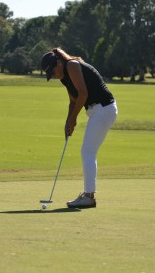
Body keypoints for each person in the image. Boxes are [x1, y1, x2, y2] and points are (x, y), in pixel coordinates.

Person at [41, 47, 118, 209]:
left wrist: (74, 118)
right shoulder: (64, 77)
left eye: (52, 72)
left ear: (58, 63)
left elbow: (83, 94)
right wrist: (68, 121)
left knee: (88, 152)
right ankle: (88, 194)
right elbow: (73, 101)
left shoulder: (72, 65)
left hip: (103, 108)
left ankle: (89, 196)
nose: (53, 76)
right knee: (88, 151)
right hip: (98, 110)